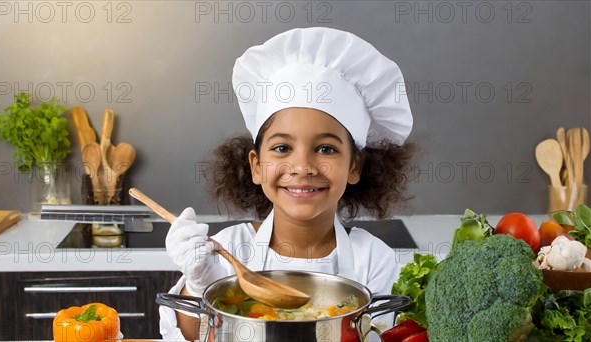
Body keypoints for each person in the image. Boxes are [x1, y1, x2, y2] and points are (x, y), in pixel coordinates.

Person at [159, 27, 414, 341]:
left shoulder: (374, 258)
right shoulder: (228, 249)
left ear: (354, 166)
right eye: (282, 148)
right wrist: (198, 282)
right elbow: (194, 335)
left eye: (326, 149)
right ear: (255, 166)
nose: (302, 167)